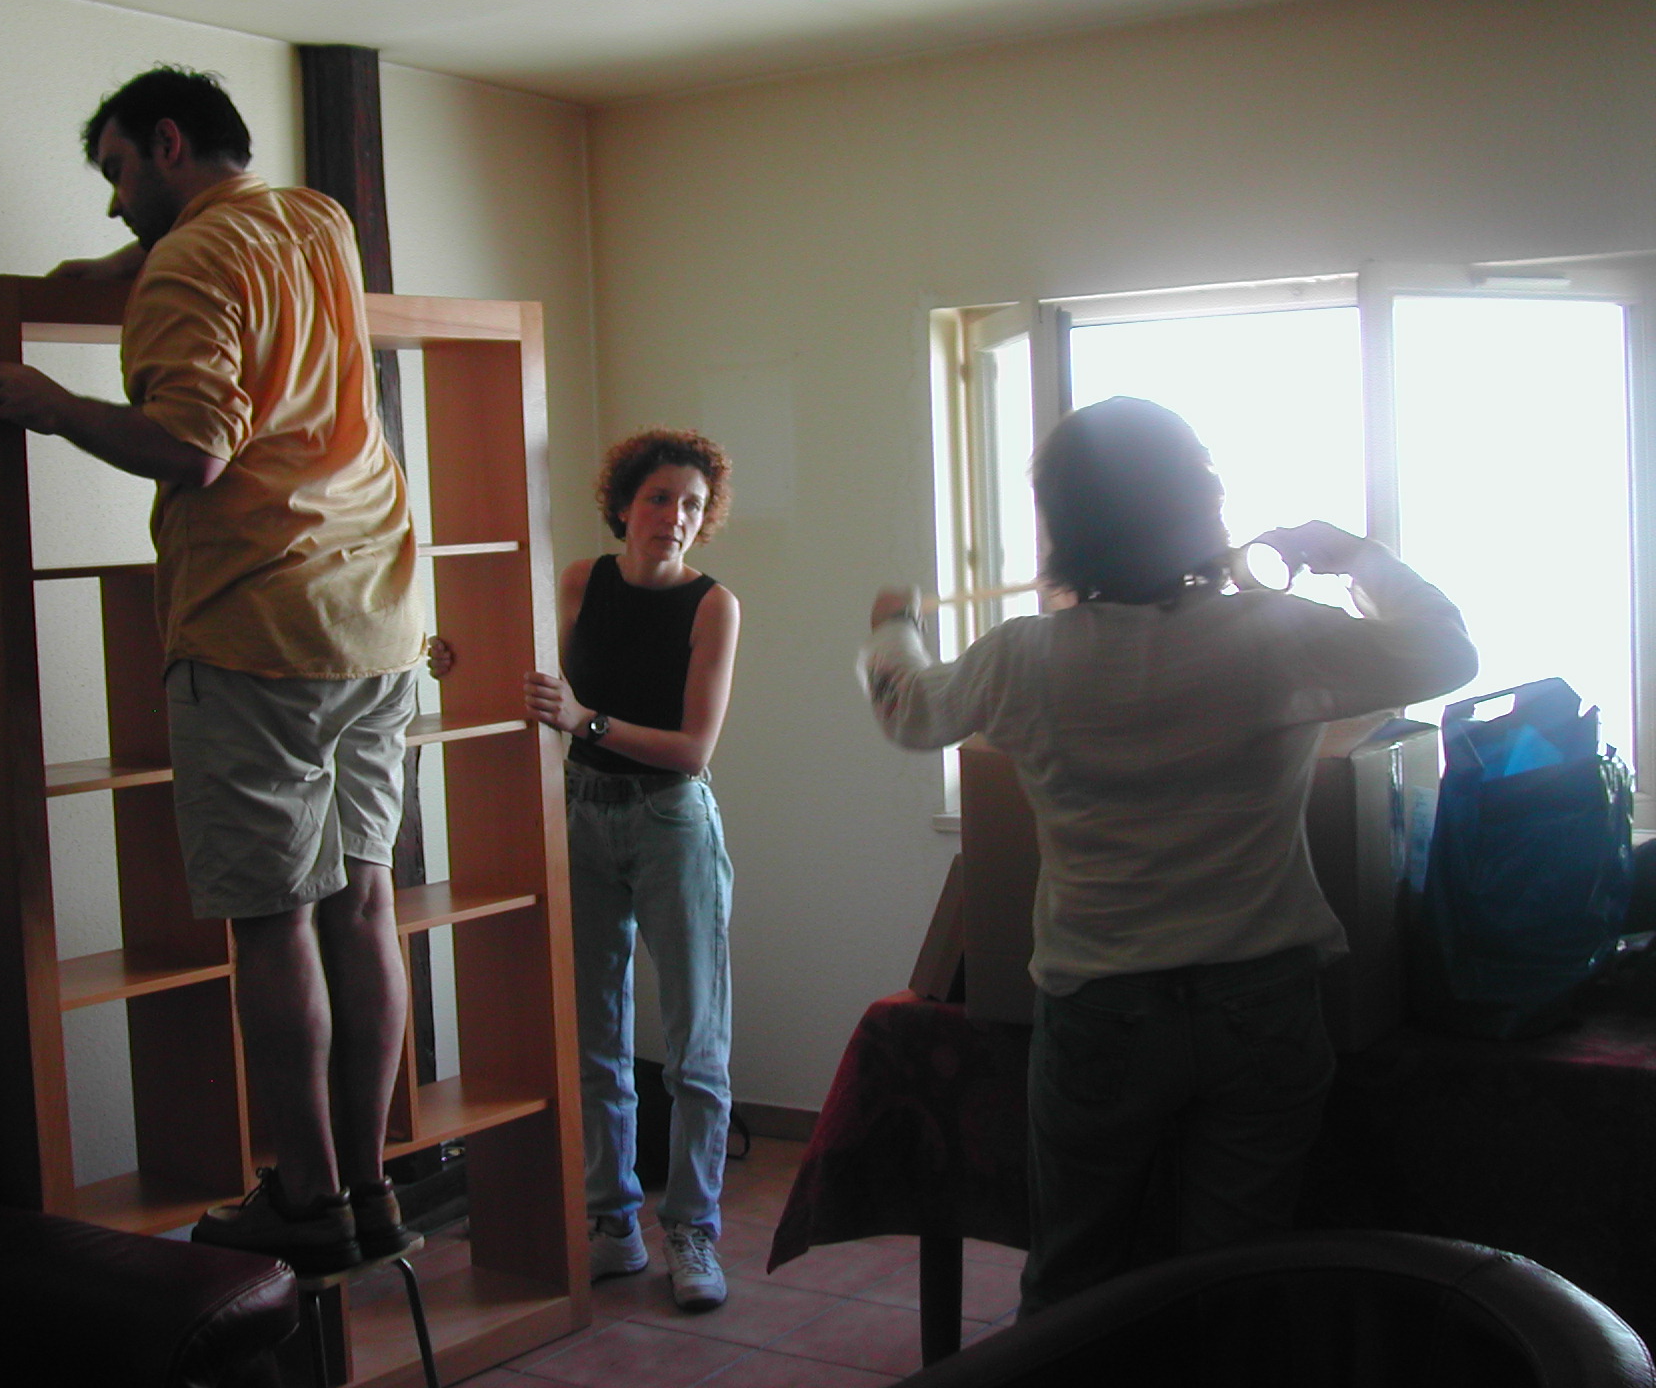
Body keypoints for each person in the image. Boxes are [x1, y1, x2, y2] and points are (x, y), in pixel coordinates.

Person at [859, 395, 1476, 1313]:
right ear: (1202, 505)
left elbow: (907, 709)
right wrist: (1354, 557)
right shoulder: (1271, 633)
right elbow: (1447, 653)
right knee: (1231, 1286)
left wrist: (892, 626)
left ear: (1063, 526)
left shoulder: (1022, 658)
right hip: (1261, 1003)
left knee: (1073, 1282)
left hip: (1100, 1011)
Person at [0, 67, 422, 1275]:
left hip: (254, 629)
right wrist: (118, 263)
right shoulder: (316, 219)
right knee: (362, 905)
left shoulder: (186, 266)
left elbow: (194, 446)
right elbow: (223, 260)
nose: (114, 200)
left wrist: (50, 404)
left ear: (166, 143)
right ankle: (371, 1187)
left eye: (119, 170)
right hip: (376, 617)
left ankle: (305, 1199)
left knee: (271, 927)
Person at [522, 430, 742, 1312]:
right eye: (659, 498)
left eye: (692, 503)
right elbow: (539, 689)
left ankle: (692, 1231)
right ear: (623, 503)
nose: (674, 517)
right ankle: (613, 1223)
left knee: (695, 1042)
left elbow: (693, 749)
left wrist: (588, 721)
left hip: (670, 822)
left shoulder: (714, 606)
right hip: (579, 813)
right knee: (595, 1036)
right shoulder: (580, 581)